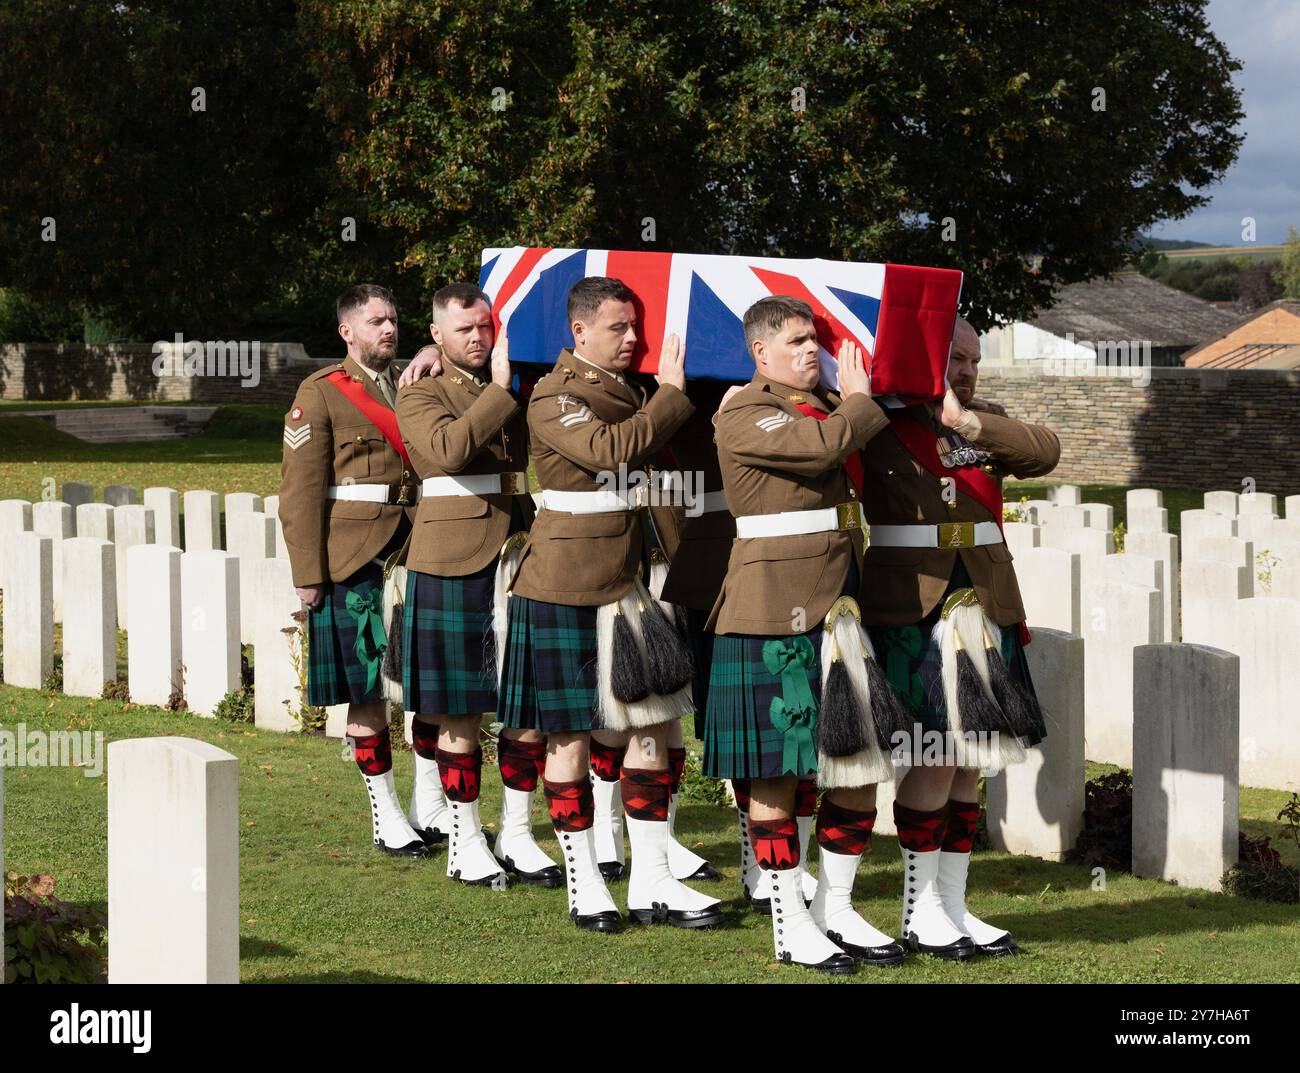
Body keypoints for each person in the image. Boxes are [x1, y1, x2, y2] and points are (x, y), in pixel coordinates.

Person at [498, 275, 723, 933]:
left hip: (630, 583)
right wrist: (675, 396)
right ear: (580, 331)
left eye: (636, 326)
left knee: (652, 724)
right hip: (564, 583)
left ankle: (653, 877)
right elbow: (610, 451)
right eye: (619, 327)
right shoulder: (552, 395)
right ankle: (585, 878)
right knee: (568, 736)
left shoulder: (636, 391)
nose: (633, 338)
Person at [705, 296, 903, 973]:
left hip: (839, 612)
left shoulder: (825, 405)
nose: (811, 349)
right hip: (770, 613)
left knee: (856, 767)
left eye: (814, 337)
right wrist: (858, 398)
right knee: (776, 776)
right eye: (795, 340)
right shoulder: (744, 412)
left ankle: (836, 908)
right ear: (760, 353)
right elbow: (819, 449)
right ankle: (789, 923)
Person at [858, 316, 1060, 959]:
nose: (968, 371)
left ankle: (953, 904)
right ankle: (919, 912)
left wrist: (966, 420)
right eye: (955, 360)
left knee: (973, 758)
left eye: (974, 360)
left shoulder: (984, 421)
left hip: (984, 600)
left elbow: (1046, 452)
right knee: (933, 753)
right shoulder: (882, 421)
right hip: (913, 603)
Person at [395, 282, 556, 889]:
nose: (480, 338)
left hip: (520, 549)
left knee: (525, 700)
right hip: (453, 559)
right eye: (464, 330)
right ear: (436, 336)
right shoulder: (423, 389)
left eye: (486, 327)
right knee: (461, 707)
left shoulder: (510, 375)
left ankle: (516, 831)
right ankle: (465, 838)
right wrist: (499, 388)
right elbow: (449, 451)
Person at [280, 283, 429, 859]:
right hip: (353, 559)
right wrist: (308, 574)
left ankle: (429, 807)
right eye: (375, 322)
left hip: (418, 548)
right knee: (368, 691)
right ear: (348, 331)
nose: (388, 330)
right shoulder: (318, 394)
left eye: (393, 319)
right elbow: (298, 493)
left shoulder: (412, 383)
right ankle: (385, 814)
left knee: (427, 684)